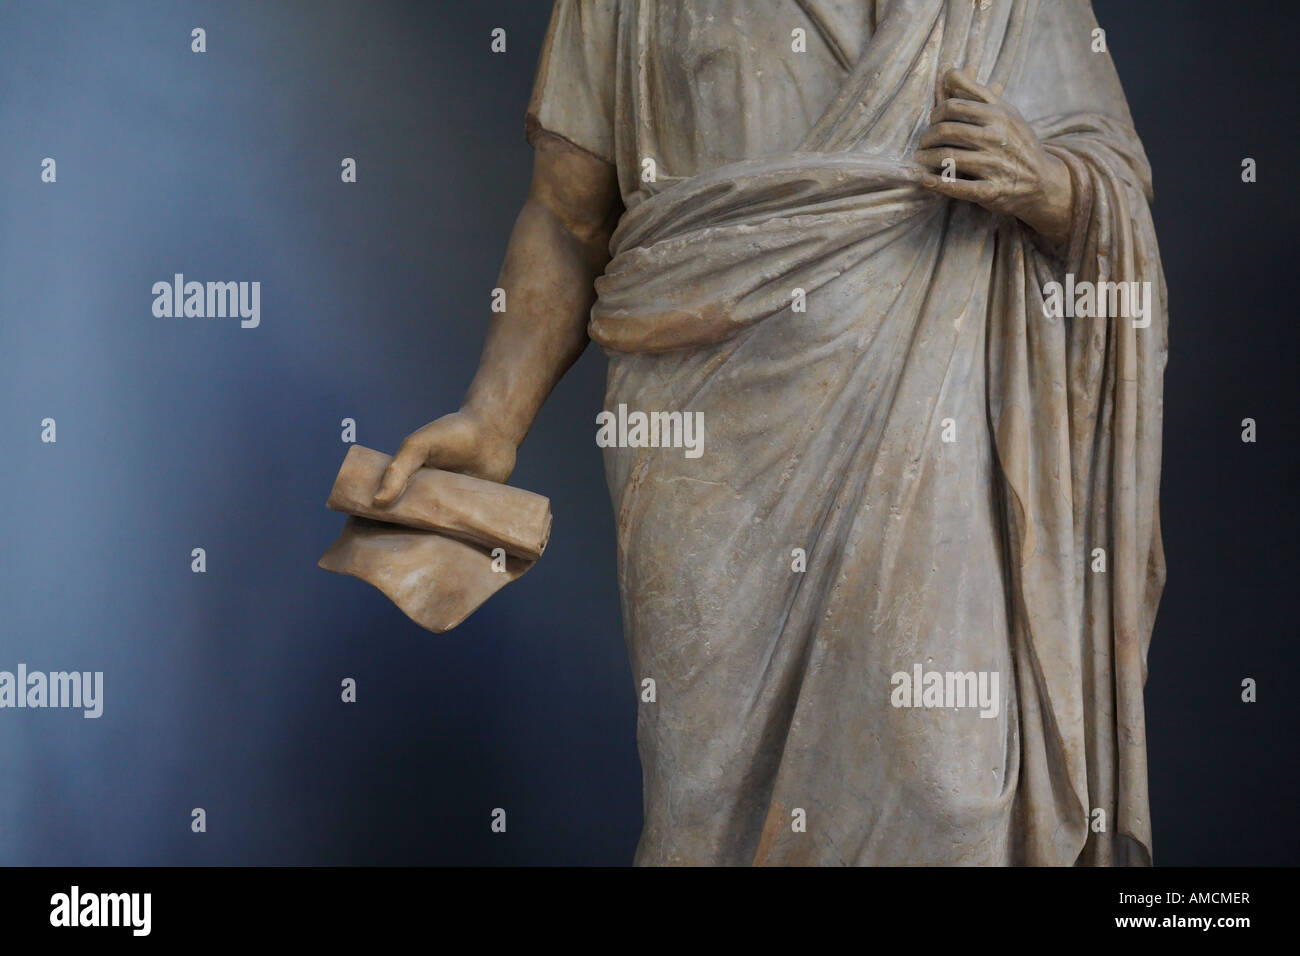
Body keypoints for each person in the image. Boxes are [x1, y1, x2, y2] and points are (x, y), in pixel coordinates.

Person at [373, 0, 1167, 866]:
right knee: (704, 811)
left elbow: (1108, 177)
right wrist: (495, 416)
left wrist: (1052, 185)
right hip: (707, 436)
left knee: (950, 794)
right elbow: (567, 217)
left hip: (928, 410)